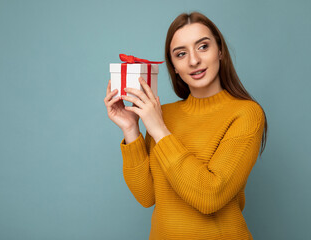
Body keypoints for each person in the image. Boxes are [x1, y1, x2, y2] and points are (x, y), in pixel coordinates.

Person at [104, 11, 268, 240]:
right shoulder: (163, 114)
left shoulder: (246, 113)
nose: (193, 60)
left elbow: (210, 196)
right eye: (181, 54)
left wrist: (159, 130)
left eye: (203, 47)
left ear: (220, 51)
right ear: (174, 66)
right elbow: (147, 196)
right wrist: (132, 130)